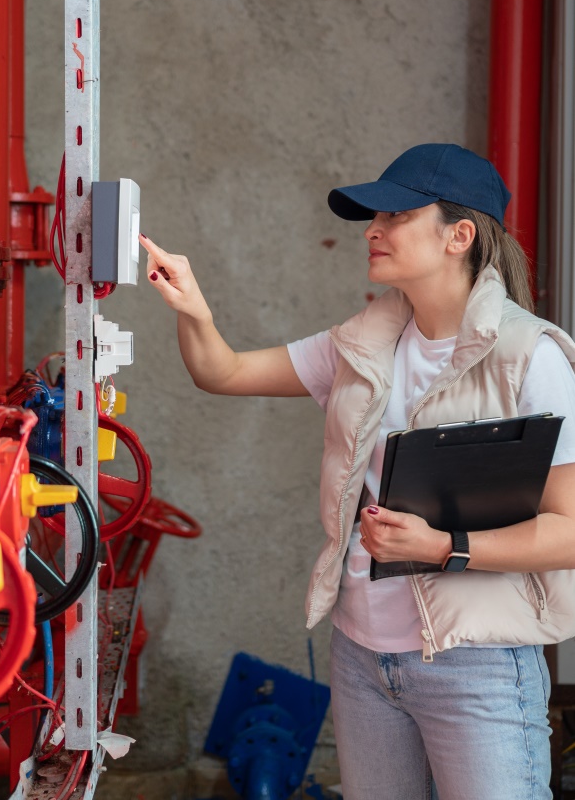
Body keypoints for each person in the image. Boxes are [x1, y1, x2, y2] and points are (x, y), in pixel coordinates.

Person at [140, 143, 575, 800]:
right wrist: (193, 308)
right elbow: (221, 371)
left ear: (458, 235)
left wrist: (442, 547)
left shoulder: (529, 357)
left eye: (396, 214)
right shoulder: (363, 341)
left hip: (476, 659)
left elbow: (570, 531)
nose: (373, 229)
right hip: (362, 653)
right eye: (372, 216)